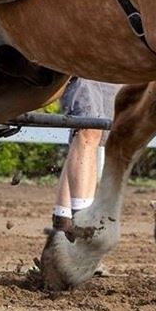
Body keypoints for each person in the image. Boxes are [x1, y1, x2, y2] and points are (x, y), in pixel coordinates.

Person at [52, 78, 119, 237]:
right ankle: (82, 225)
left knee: (98, 135)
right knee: (88, 129)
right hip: (82, 61)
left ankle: (62, 223)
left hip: (111, 66)